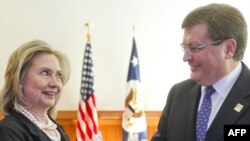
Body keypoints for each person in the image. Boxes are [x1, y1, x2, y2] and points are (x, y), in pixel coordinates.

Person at [151, 3, 250, 141]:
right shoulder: (178, 94)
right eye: (185, 48)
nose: (186, 57)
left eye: (195, 48)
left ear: (228, 49)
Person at [0, 39, 70, 141]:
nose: (55, 83)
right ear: (19, 79)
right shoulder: (8, 131)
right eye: (45, 73)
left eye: (58, 75)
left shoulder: (57, 130)